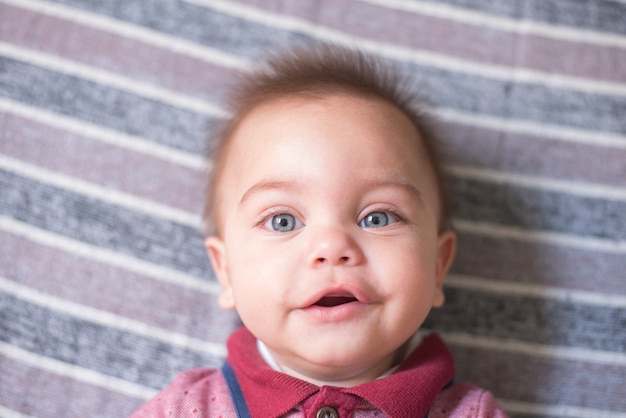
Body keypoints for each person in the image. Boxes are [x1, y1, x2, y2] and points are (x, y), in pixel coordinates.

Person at [132, 43, 508, 418]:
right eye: (283, 221)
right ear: (226, 271)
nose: (332, 247)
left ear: (438, 266)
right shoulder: (186, 409)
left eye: (377, 218)